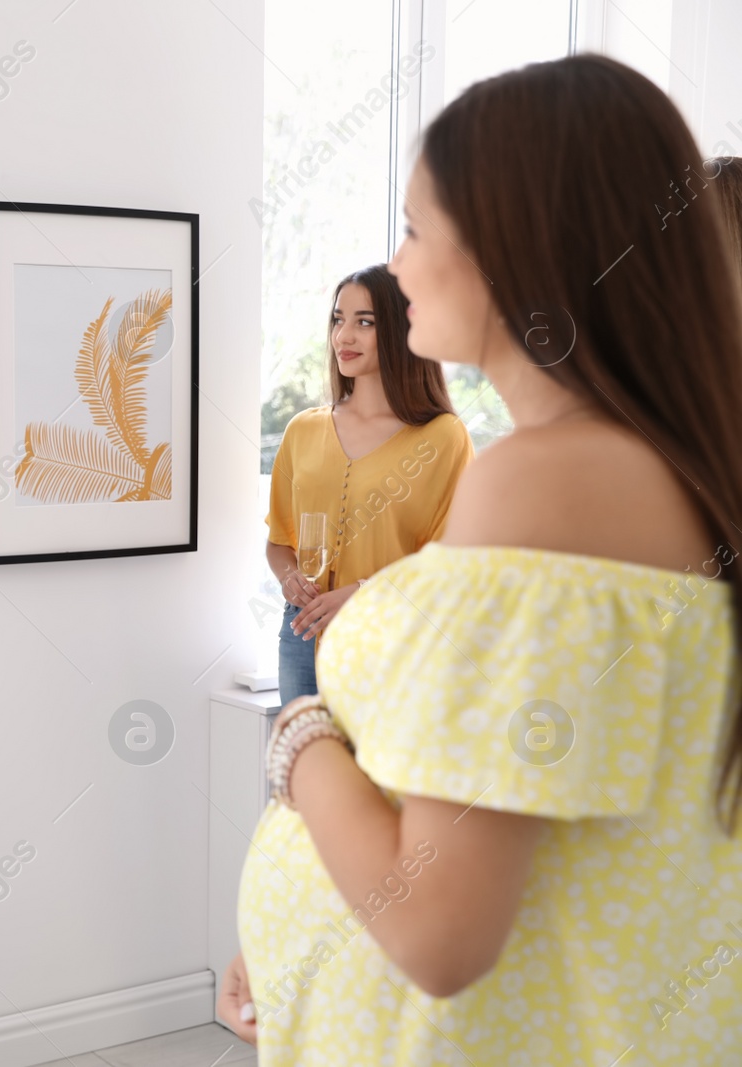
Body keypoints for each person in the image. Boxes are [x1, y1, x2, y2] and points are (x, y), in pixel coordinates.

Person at [221, 54, 742, 1064]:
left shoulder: (540, 481)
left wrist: (298, 742)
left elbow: (437, 927)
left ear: (522, 248)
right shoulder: (664, 461)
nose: (397, 267)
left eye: (416, 229)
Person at [265, 265, 471, 704]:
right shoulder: (302, 430)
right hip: (303, 633)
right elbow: (280, 541)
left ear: (401, 329)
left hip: (392, 637)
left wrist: (360, 594)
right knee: (302, 770)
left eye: (365, 322)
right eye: (339, 319)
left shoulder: (442, 438)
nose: (344, 336)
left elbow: (448, 562)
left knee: (376, 773)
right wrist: (290, 581)